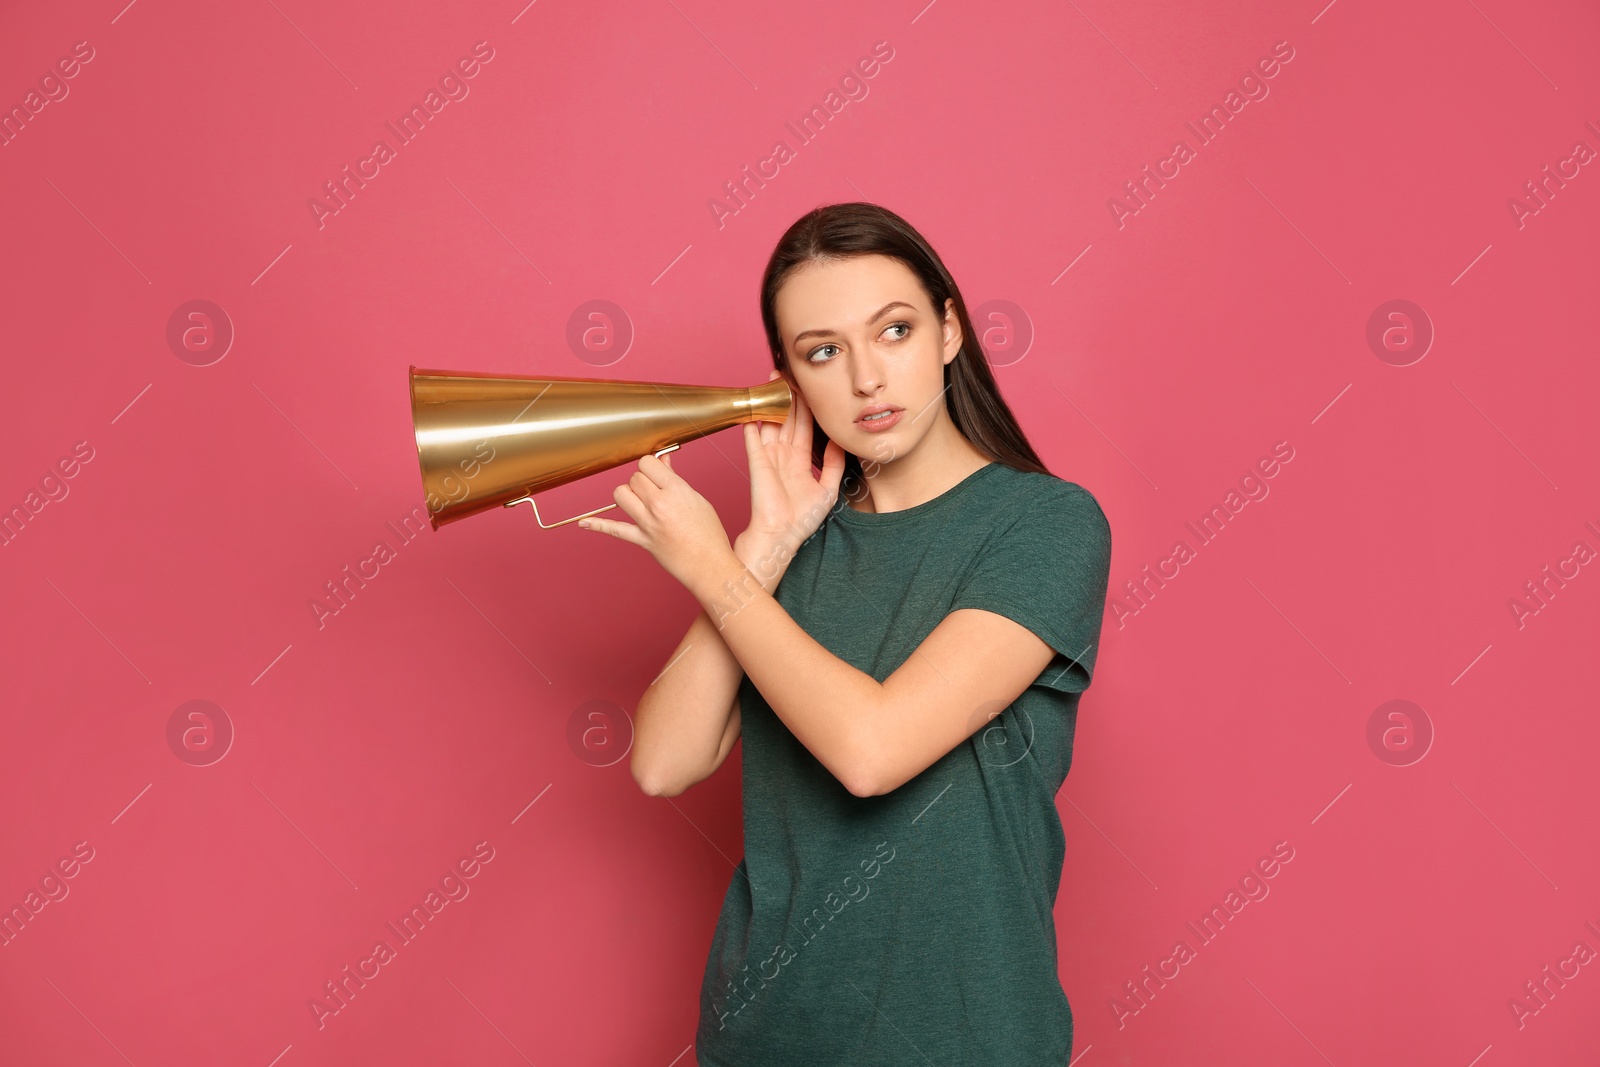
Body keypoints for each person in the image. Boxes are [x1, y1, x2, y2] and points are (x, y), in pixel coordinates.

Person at [577, 202, 1113, 1065]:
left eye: (893, 331)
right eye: (823, 351)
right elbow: (662, 761)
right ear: (790, 377)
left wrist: (714, 571)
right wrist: (763, 547)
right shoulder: (789, 548)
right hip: (767, 1037)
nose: (866, 379)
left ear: (948, 330)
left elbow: (873, 751)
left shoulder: (1046, 524)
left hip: (968, 1040)